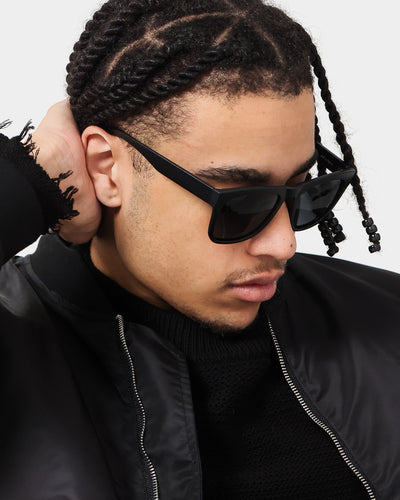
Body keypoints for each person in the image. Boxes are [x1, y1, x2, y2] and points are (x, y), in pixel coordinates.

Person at [0, 0, 399, 499]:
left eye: (302, 192)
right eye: (240, 203)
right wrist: (33, 176)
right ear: (107, 168)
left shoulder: (387, 320)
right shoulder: (15, 349)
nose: (285, 244)